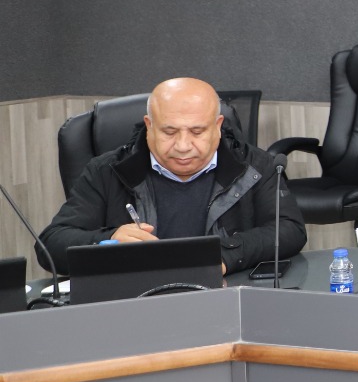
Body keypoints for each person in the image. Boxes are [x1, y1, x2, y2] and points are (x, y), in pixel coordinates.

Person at [40, 78, 305, 275]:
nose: (183, 145)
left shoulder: (255, 166)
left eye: (197, 132)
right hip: (135, 304)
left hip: (224, 299)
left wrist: (224, 255)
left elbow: (289, 230)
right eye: (169, 132)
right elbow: (51, 245)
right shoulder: (106, 170)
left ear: (217, 127)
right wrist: (106, 242)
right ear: (149, 126)